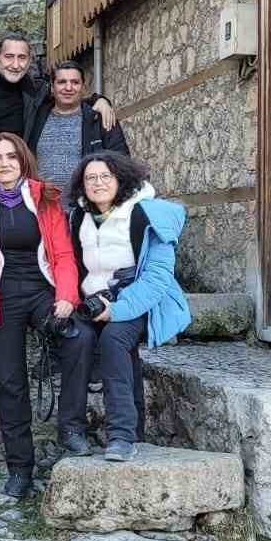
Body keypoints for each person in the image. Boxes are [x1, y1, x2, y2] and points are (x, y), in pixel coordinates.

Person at [0, 133, 91, 498]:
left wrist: (66, 296)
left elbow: (63, 255)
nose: (4, 163)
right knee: (9, 384)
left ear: (23, 161)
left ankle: (71, 427)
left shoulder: (44, 198)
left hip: (40, 292)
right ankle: (20, 470)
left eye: (11, 157)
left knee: (78, 336)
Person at [67, 151, 191, 462]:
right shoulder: (77, 217)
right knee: (75, 339)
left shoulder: (148, 215)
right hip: (92, 301)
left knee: (114, 340)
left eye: (105, 176)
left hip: (136, 302)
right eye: (90, 178)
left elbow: (158, 277)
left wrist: (118, 310)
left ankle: (122, 437)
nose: (98, 183)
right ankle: (71, 430)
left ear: (121, 178)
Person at [0, 32, 116, 163]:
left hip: (16, 179)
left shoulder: (36, 93)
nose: (15, 65)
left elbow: (67, 98)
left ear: (29, 61)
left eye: (22, 58)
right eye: (9, 57)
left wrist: (97, 100)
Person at [29, 60, 128, 191]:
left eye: (75, 82)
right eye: (62, 82)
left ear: (83, 87)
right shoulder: (36, 117)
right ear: (52, 87)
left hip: (86, 207)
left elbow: (122, 163)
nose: (68, 88)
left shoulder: (99, 119)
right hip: (43, 207)